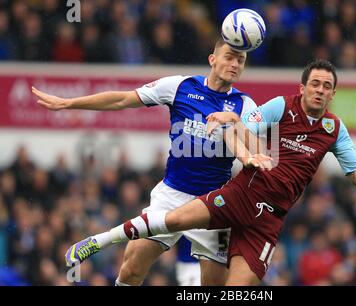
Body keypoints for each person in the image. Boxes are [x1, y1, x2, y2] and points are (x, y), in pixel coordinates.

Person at [63, 59, 356, 285]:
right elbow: (244, 129)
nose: (319, 90)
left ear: (333, 93)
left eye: (326, 85)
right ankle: (100, 240)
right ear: (302, 88)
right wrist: (238, 133)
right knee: (161, 235)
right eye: (314, 83)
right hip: (239, 194)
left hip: (268, 220)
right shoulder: (278, 107)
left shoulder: (334, 128)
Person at [32, 39, 258, 286]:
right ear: (212, 59)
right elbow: (122, 100)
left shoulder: (245, 105)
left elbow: (261, 153)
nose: (235, 64)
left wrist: (236, 121)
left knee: (213, 286)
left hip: (213, 206)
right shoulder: (180, 86)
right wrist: (69, 103)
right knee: (131, 268)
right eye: (229, 57)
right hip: (171, 196)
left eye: (241, 60)